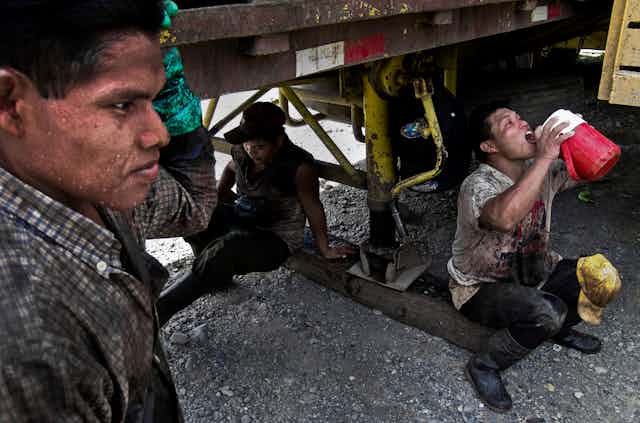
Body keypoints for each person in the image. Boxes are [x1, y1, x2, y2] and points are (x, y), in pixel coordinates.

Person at [0, 1, 216, 422]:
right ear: (10, 103)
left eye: (153, 100)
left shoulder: (90, 185)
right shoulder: (23, 342)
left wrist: (175, 102)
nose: (159, 133)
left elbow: (194, 207)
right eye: (121, 105)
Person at [447, 102, 621, 412]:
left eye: (519, 116)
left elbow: (597, 166)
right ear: (489, 146)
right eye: (508, 124)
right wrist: (544, 156)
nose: (522, 122)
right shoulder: (477, 185)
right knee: (547, 311)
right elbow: (503, 219)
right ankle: (485, 365)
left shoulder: (540, 169)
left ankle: (560, 330)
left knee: (599, 277)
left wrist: (576, 135)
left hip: (533, 273)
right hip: (479, 288)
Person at [156, 101, 354, 326]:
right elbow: (232, 168)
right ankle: (214, 277)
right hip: (244, 218)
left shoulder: (299, 167)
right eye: (248, 143)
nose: (251, 150)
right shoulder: (242, 151)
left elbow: (313, 206)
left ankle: (161, 311)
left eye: (259, 146)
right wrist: (218, 198)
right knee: (195, 214)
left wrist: (325, 248)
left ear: (278, 142)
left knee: (226, 249)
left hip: (276, 239)